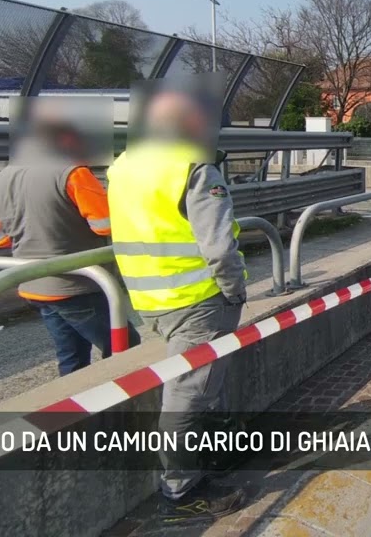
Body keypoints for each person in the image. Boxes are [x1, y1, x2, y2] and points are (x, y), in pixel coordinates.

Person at [106, 85, 249, 523]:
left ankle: (217, 458)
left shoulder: (123, 165)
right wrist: (234, 290)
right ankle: (181, 492)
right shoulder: (193, 168)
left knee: (204, 387)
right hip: (198, 300)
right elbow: (220, 248)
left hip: (150, 299)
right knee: (187, 398)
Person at [0, 102, 141, 377]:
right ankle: (121, 410)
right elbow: (104, 225)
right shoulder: (73, 173)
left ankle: (75, 411)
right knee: (128, 347)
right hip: (76, 284)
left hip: (34, 282)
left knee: (72, 357)